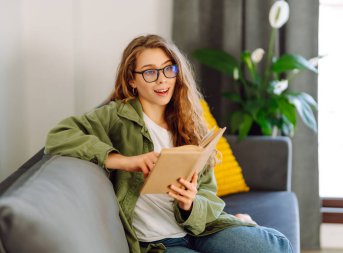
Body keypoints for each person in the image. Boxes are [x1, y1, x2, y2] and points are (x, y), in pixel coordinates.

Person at [45, 34, 293, 253]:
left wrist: (189, 204)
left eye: (168, 69)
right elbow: (59, 135)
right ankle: (243, 221)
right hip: (159, 242)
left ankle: (241, 222)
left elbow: (208, 192)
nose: (162, 80)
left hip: (201, 229)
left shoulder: (188, 120)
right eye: (150, 72)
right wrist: (125, 161)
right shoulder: (116, 116)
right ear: (132, 80)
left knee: (277, 247)